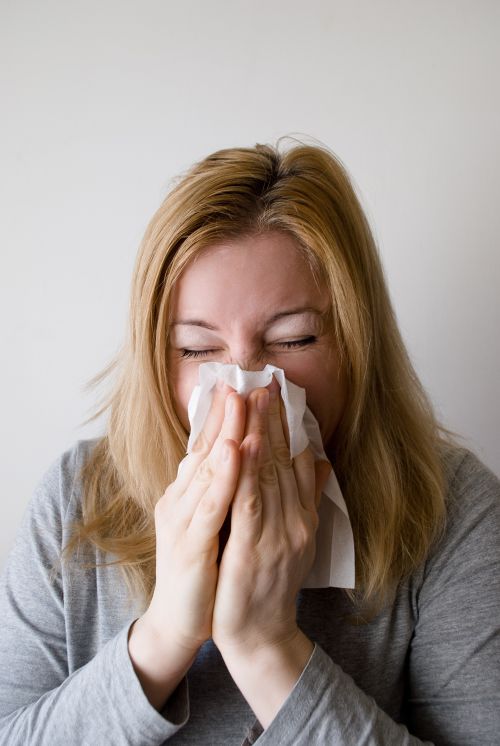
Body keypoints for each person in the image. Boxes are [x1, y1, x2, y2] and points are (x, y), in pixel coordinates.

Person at [0, 140, 499, 745]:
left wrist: (267, 649)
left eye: (294, 339)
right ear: (158, 358)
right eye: (197, 349)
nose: (245, 385)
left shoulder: (450, 509)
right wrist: (161, 639)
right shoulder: (75, 498)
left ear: (355, 344)